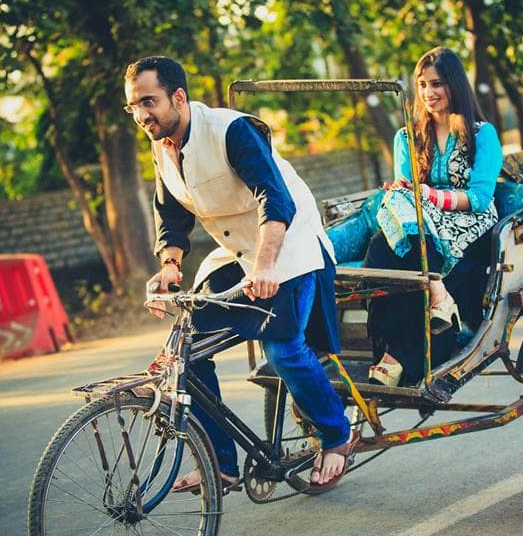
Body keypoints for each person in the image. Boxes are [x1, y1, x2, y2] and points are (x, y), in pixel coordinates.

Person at [124, 56, 353, 488]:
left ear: (178, 96)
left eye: (148, 102)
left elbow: (275, 197)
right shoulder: (162, 145)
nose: (141, 115)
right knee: (188, 352)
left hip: (288, 246)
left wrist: (266, 266)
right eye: (133, 106)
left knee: (282, 349)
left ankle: (337, 435)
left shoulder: (231, 130)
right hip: (238, 254)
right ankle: (223, 464)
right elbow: (170, 214)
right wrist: (170, 265)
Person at [364, 46, 502, 388]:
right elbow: (408, 192)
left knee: (425, 254)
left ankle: (396, 357)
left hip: (470, 223)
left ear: (455, 85)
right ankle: (433, 291)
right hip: (421, 225)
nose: (428, 93)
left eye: (437, 83)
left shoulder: (481, 134)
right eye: (422, 84)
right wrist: (405, 189)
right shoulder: (407, 137)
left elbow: (481, 197)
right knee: (382, 250)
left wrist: (430, 195)